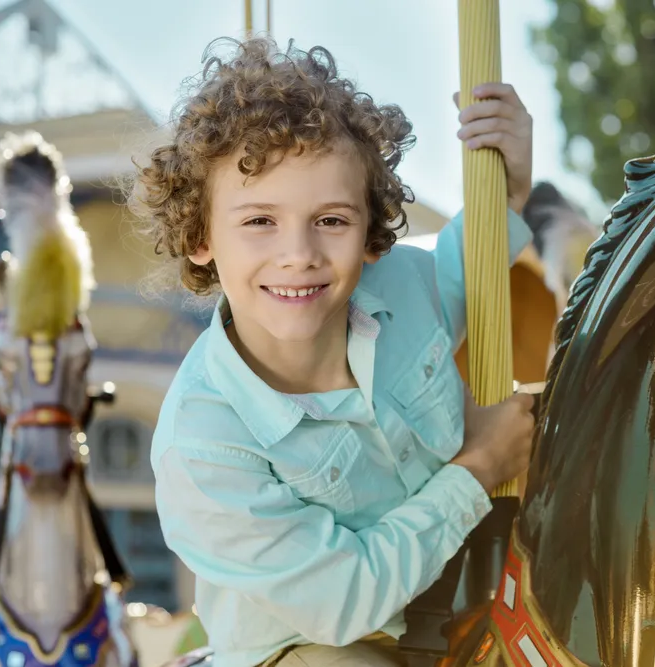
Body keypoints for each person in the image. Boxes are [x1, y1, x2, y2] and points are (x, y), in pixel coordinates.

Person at [129, 37, 536, 667]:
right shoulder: (201, 444)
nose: (300, 254)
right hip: (312, 640)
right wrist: (478, 468)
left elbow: (473, 260)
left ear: (371, 234)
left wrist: (505, 184)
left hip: (461, 608)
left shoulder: (403, 287)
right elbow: (343, 598)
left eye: (332, 220)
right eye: (260, 221)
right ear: (201, 236)